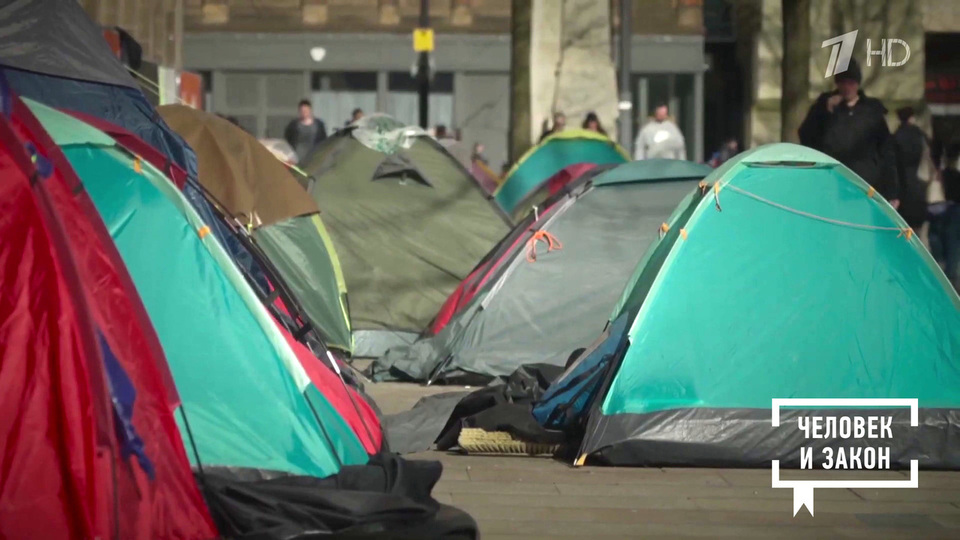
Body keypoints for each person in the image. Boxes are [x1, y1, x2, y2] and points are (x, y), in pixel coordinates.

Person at [798, 58, 900, 207]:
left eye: (851, 83)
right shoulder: (824, 108)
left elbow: (886, 151)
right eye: (842, 83)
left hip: (865, 185)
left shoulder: (871, 111)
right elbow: (806, 137)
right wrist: (824, 112)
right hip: (833, 183)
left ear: (857, 84)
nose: (847, 88)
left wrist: (892, 191)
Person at [893, 107, 931, 230]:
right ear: (912, 117)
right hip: (920, 184)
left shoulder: (896, 137)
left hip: (902, 185)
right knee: (918, 229)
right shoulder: (920, 135)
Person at [929, 143, 960, 289]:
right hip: (954, 210)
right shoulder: (954, 174)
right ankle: (951, 277)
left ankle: (940, 271)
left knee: (936, 237)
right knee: (953, 243)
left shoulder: (940, 173)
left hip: (937, 208)